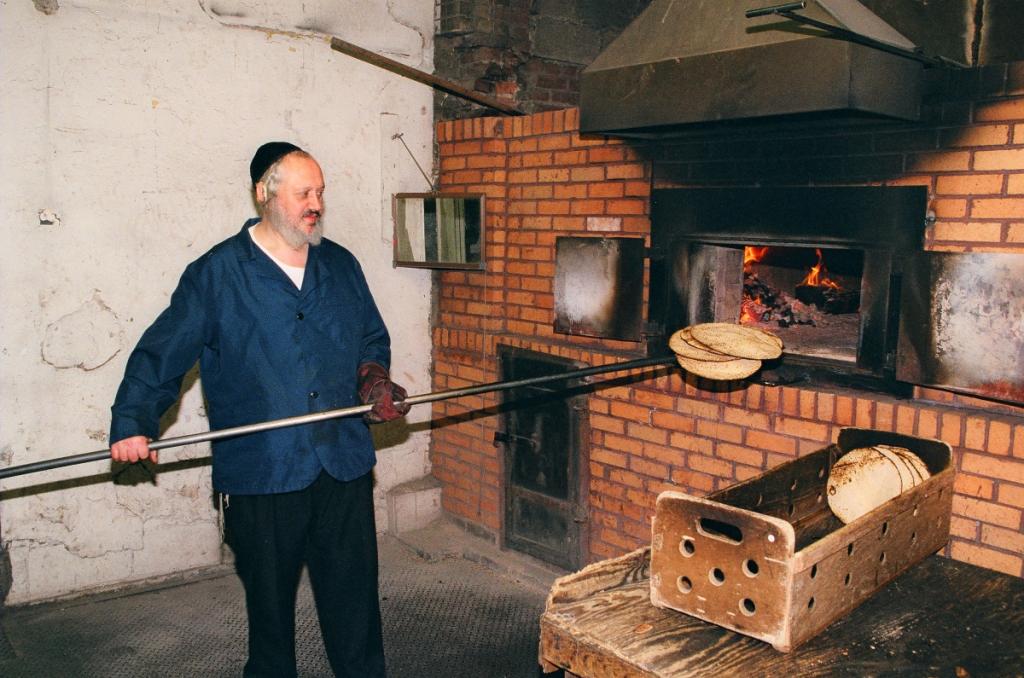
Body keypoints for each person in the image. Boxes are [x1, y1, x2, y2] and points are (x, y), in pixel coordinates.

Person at [109, 141, 409, 677]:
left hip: (342, 462)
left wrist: (373, 377)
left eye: (320, 192)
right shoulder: (217, 274)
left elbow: (370, 336)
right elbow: (163, 351)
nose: (314, 204)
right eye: (302, 193)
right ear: (263, 194)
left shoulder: (340, 265)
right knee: (270, 616)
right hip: (263, 470)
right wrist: (134, 421)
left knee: (355, 603)